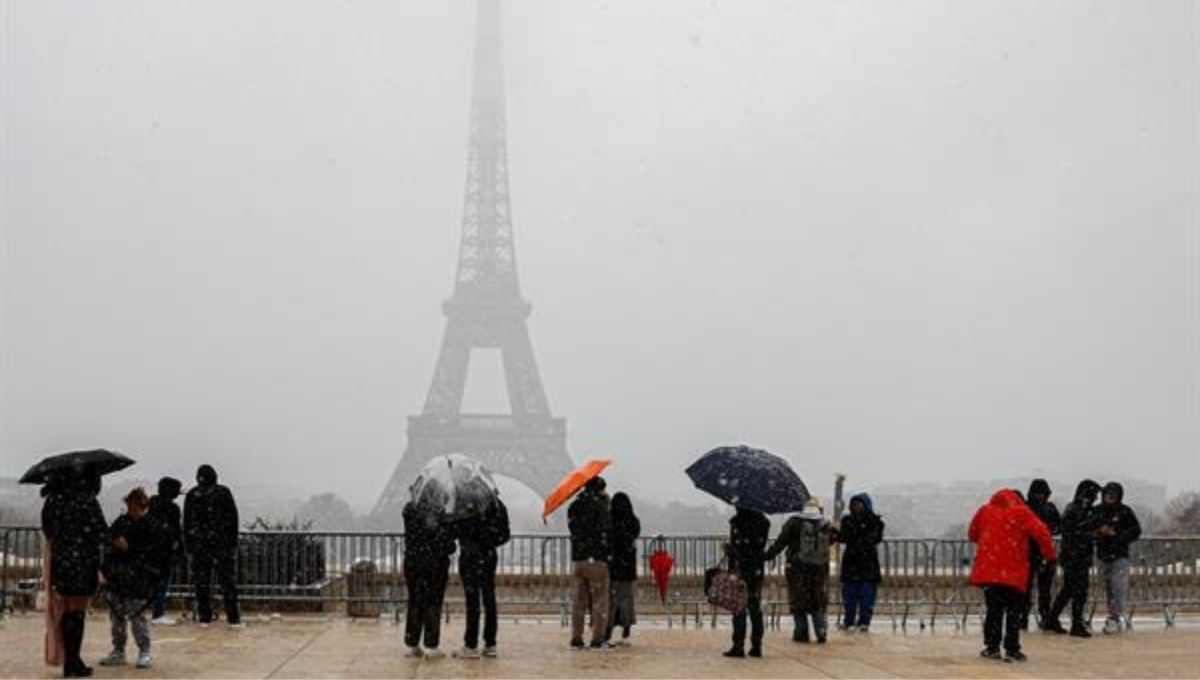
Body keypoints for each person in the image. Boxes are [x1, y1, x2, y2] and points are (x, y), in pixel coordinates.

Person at [968, 488, 1057, 663]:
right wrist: (1050, 556)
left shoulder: (985, 510)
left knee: (993, 610)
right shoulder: (1022, 512)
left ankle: (992, 647)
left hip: (990, 570)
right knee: (1013, 611)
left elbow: (972, 534)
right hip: (1014, 571)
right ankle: (1012, 649)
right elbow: (1042, 533)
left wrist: (991, 541)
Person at [41, 472, 109, 678]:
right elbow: (101, 532)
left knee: (67, 609)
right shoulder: (87, 501)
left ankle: (69, 659)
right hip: (83, 561)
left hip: (62, 561)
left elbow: (48, 530)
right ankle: (73, 659)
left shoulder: (53, 500)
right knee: (77, 610)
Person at [99, 488, 165, 670]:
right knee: (117, 615)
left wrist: (129, 548)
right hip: (117, 575)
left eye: (134, 507)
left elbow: (153, 554)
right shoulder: (121, 522)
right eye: (129, 507)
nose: (131, 511)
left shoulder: (152, 526)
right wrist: (105, 568)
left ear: (143, 506)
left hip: (139, 577)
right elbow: (109, 545)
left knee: (137, 615)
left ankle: (144, 651)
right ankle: (118, 650)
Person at [765, 497, 833, 644]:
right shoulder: (824, 523)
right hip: (819, 569)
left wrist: (767, 555)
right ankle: (821, 631)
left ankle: (801, 633)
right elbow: (832, 539)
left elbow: (781, 542)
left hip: (797, 567)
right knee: (818, 600)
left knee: (798, 599)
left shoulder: (794, 522)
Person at [450, 494, 510, 659]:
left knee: (472, 601)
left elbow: (454, 531)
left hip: (469, 557)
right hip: (488, 557)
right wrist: (488, 541)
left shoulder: (464, 505)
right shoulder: (497, 506)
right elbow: (505, 535)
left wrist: (467, 536)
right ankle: (490, 644)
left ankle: (471, 645)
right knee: (489, 599)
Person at [183, 464, 241, 626]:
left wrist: (189, 546)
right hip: (222, 545)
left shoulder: (193, 494)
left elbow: (187, 523)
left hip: (200, 546)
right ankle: (233, 618)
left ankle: (204, 617)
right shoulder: (223, 492)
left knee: (202, 584)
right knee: (227, 583)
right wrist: (232, 543)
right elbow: (233, 519)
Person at [402, 493, 456, 658]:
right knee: (433, 603)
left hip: (413, 563)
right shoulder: (440, 518)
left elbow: (412, 538)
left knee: (415, 602)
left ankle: (413, 643)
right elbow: (448, 546)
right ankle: (431, 645)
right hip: (434, 566)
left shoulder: (410, 511)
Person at [567, 476, 612, 650]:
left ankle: (576, 637)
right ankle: (597, 639)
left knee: (579, 601)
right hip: (597, 559)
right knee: (599, 601)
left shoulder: (574, 506)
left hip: (579, 559)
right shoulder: (601, 507)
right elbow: (607, 532)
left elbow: (573, 529)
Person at [1094, 481, 1142, 635]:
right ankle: (1112, 615)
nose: (1110, 497)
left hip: (1120, 556)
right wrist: (1099, 532)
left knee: (1118, 588)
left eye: (1113, 495)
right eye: (1108, 494)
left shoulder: (1125, 511)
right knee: (1108, 588)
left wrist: (1118, 535)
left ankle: (1115, 617)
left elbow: (1136, 530)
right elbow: (1087, 528)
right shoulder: (1097, 511)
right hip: (1103, 555)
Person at [725, 506, 769, 658]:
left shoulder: (739, 522)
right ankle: (756, 646)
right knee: (755, 608)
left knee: (739, 609)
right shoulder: (763, 522)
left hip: (740, 571)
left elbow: (740, 550)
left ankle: (738, 645)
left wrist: (730, 550)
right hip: (756, 571)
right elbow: (758, 548)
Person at [836, 493, 884, 632]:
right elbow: (844, 537)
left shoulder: (874, 522)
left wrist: (855, 538)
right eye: (854, 505)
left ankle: (864, 621)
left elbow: (874, 538)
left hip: (866, 564)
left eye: (858, 505)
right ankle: (849, 621)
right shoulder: (848, 521)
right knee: (849, 597)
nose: (855, 507)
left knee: (866, 597)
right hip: (854, 563)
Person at [1022, 479, 1061, 630]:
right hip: (1044, 552)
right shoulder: (1050, 508)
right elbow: (1058, 527)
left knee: (1026, 588)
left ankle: (1023, 617)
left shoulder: (1025, 507)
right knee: (1044, 589)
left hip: (1029, 553)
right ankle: (1045, 616)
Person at [606, 492, 641, 646]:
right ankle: (626, 625)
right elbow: (634, 535)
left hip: (613, 566)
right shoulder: (633, 521)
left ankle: (609, 627)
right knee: (626, 598)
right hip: (628, 567)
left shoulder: (609, 520)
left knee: (612, 600)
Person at [148, 477, 183, 624]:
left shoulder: (152, 503)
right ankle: (158, 613)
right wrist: (177, 546)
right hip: (165, 551)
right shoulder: (173, 508)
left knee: (148, 581)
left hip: (149, 549)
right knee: (162, 581)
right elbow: (176, 531)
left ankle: (136, 610)